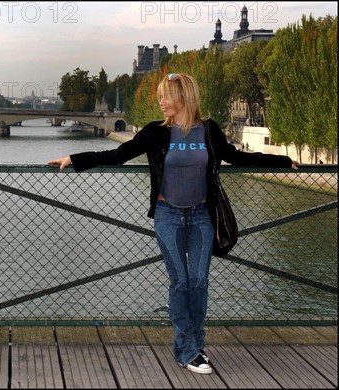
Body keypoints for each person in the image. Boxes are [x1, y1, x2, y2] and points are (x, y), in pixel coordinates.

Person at [48, 73, 298, 375]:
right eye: (160, 96)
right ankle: (187, 350)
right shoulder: (155, 132)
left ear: (184, 97)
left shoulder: (208, 130)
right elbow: (117, 155)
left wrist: (282, 161)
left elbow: (235, 156)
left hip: (203, 215)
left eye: (166, 96)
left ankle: (195, 344)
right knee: (180, 281)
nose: (161, 102)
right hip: (168, 215)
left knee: (199, 282)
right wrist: (74, 157)